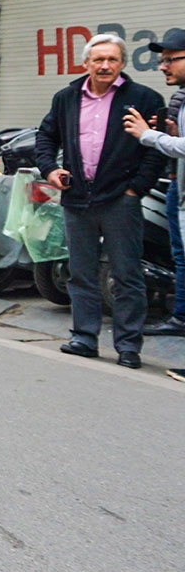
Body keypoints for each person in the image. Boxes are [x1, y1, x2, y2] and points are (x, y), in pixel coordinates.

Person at [36, 33, 168, 368]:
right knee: (80, 272)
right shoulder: (66, 98)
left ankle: (128, 346)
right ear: (86, 64)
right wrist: (50, 169)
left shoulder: (143, 98)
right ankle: (84, 337)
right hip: (77, 198)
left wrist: (136, 188)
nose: (105, 65)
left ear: (122, 63)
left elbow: (154, 150)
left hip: (120, 200)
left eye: (112, 59)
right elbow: (45, 137)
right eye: (98, 60)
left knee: (126, 275)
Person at [124, 27, 185, 344]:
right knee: (181, 256)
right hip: (179, 186)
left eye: (170, 60)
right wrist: (170, 134)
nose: (163, 66)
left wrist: (146, 135)